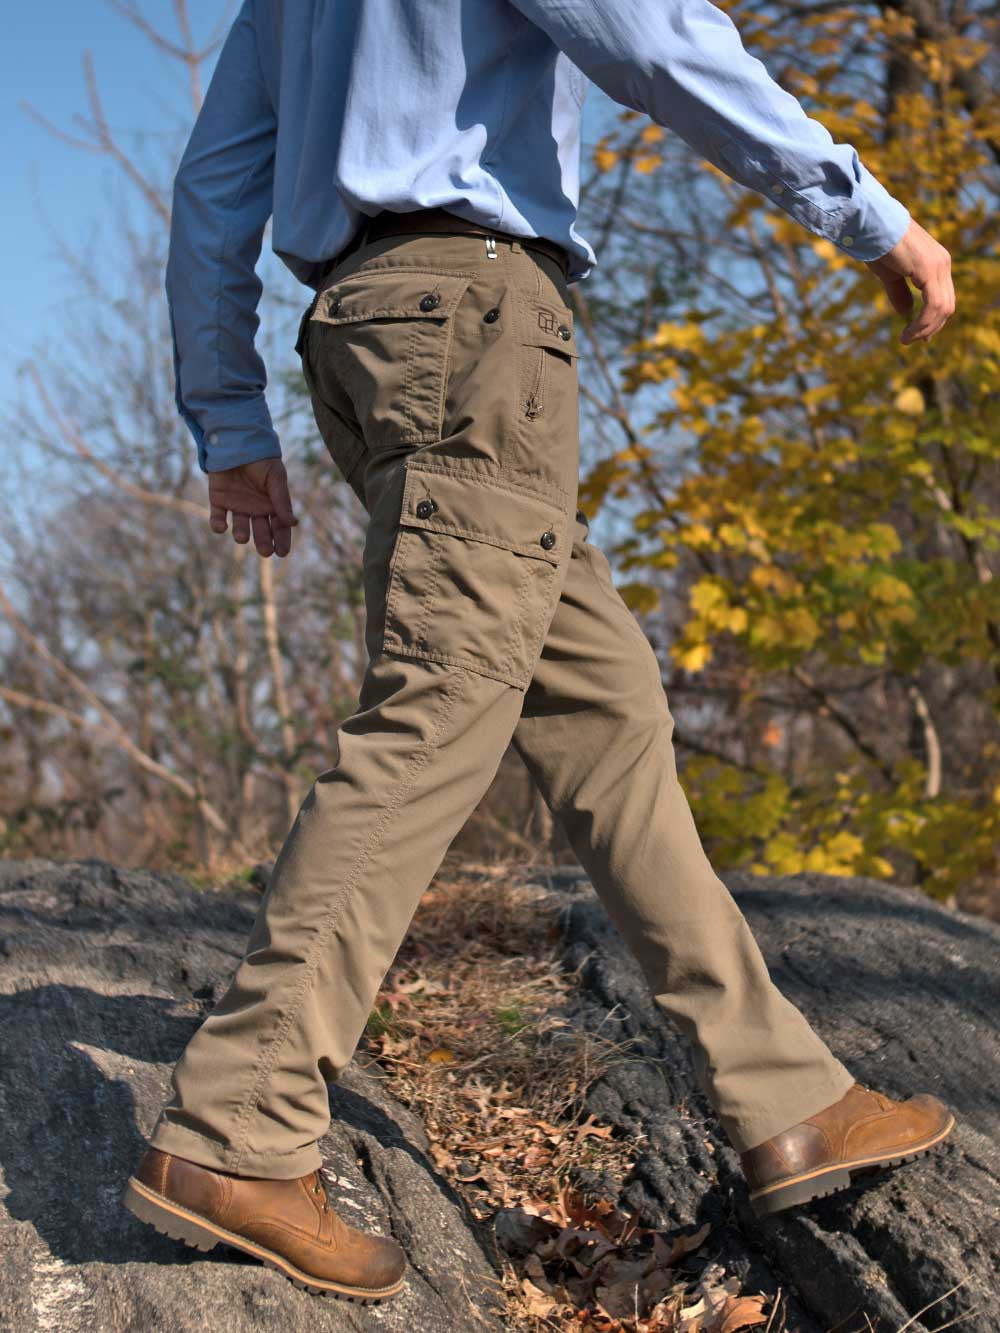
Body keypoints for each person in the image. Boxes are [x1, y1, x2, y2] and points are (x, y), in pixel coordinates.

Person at [122, 0, 957, 1303]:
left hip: (366, 330)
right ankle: (238, 1121)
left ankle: (786, 1096)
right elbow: (654, 37)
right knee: (441, 708)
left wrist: (229, 405)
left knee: (607, 717)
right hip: (475, 321)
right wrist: (867, 211)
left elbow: (217, 176)